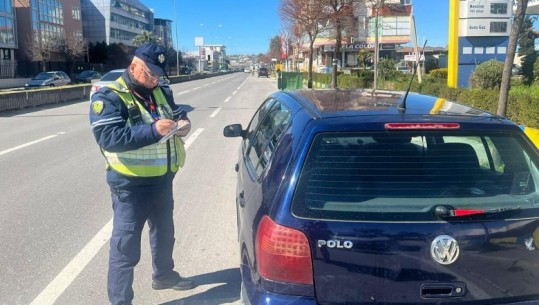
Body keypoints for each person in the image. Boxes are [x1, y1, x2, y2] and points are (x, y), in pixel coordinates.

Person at [89, 43, 195, 305]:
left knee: (164, 234)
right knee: (125, 249)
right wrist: (154, 131)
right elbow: (107, 137)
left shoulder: (160, 91)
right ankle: (121, 301)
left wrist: (183, 126)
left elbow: (179, 115)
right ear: (133, 66)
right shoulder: (110, 95)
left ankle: (164, 276)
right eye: (150, 73)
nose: (155, 79)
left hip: (161, 179)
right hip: (129, 186)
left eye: (159, 74)